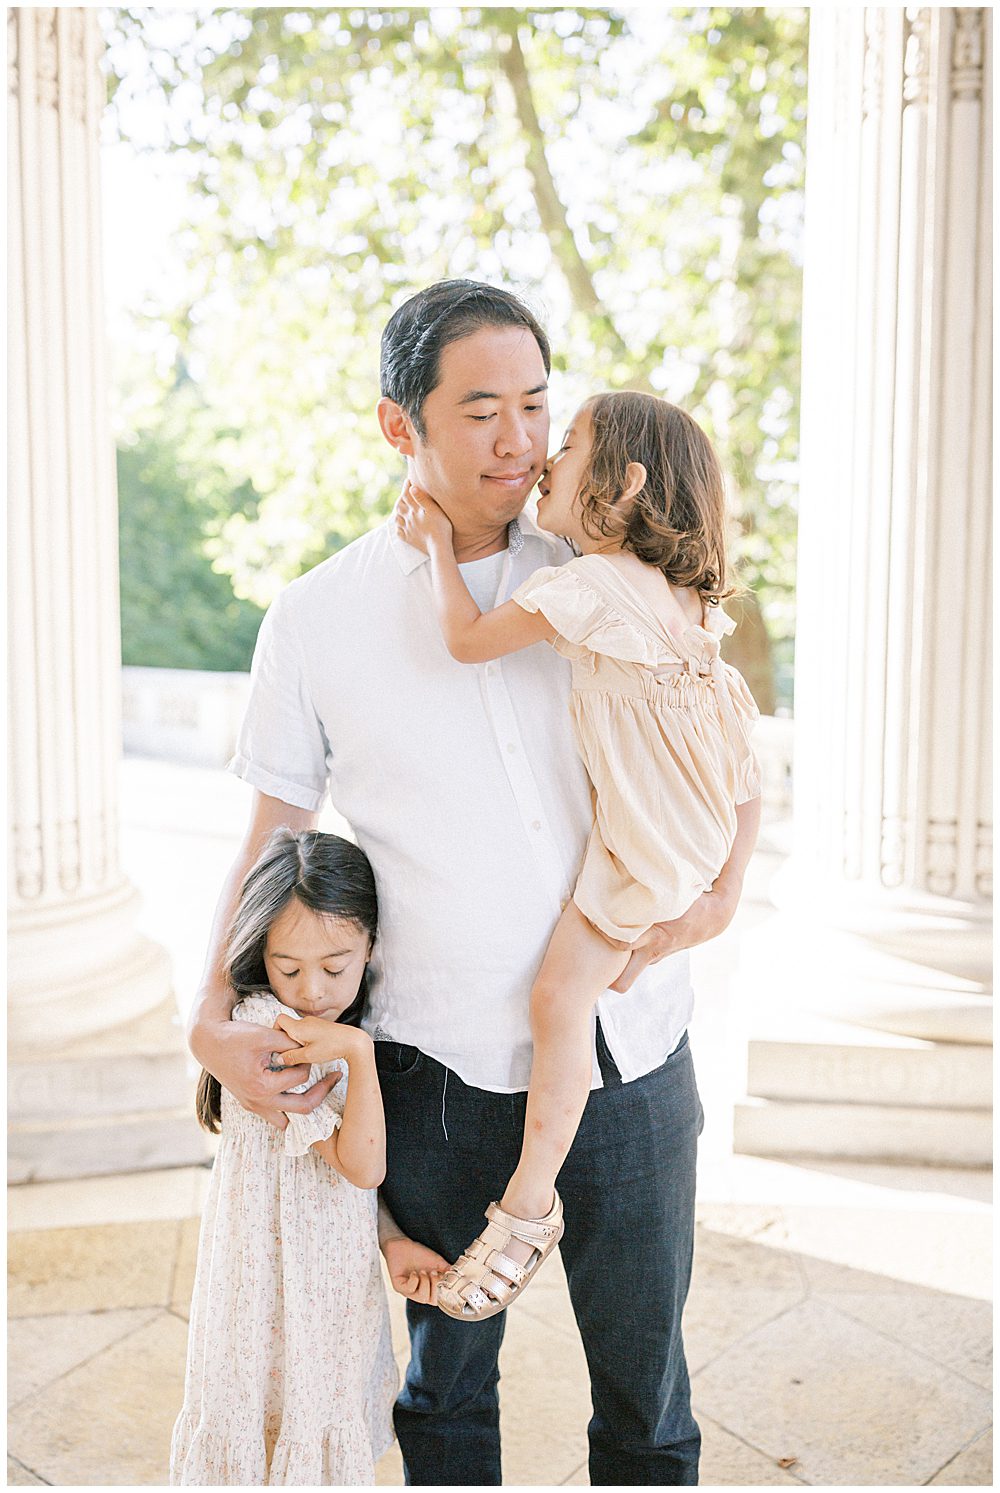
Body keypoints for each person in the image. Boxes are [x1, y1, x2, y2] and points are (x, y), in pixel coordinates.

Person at [188, 280, 761, 1486]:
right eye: (482, 409)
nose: (520, 439)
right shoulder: (316, 619)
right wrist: (205, 1016)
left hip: (635, 1056)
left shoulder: (615, 572)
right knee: (443, 1399)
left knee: (648, 1399)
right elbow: (270, 833)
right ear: (401, 427)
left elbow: (722, 731)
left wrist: (720, 895)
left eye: (539, 405)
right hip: (435, 1077)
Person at [395, 390, 760, 1320]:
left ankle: (526, 1206)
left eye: (568, 443)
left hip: (642, 849)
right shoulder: (686, 600)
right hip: (694, 832)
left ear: (627, 483)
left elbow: (469, 640)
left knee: (559, 998)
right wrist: (723, 887)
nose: (547, 458)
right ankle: (532, 1199)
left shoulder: (592, 584)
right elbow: (741, 746)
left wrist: (438, 548)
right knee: (583, 988)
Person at [171, 828, 403, 1486]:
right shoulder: (280, 1037)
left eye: (335, 966)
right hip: (289, 1283)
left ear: (371, 947)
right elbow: (361, 1164)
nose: (312, 990)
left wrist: (391, 1238)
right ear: (256, 953)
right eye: (288, 966)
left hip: (307, 1269)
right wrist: (356, 1051)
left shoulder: (309, 1024)